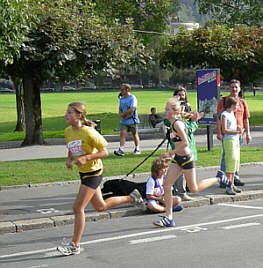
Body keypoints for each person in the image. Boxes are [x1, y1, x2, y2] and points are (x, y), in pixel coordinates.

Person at [57, 102, 144, 256]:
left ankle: (74, 245)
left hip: (94, 173)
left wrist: (87, 158)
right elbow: (71, 147)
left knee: (78, 208)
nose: (66, 115)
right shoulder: (68, 131)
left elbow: (104, 152)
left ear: (79, 115)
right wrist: (69, 159)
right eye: (66, 112)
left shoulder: (89, 132)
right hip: (83, 173)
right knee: (100, 206)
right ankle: (131, 198)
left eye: (70, 112)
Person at [153, 96, 231, 227]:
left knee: (193, 189)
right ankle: (169, 217)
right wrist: (172, 155)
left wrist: (170, 153)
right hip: (178, 159)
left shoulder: (177, 124)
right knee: (166, 185)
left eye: (167, 109)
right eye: (165, 109)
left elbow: (185, 142)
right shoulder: (172, 124)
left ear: (175, 112)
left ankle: (218, 178)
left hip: (186, 159)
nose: (165, 111)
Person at [216, 79, 251, 187]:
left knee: (235, 157)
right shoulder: (224, 101)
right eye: (232, 87)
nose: (234, 89)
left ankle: (234, 178)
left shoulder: (242, 102)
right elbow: (218, 118)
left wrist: (248, 134)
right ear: (229, 88)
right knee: (226, 156)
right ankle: (223, 179)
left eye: (236, 87)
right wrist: (219, 132)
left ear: (240, 89)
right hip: (228, 134)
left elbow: (245, 119)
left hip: (238, 135)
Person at [220, 97, 243, 195]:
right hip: (229, 140)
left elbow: (231, 127)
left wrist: (237, 128)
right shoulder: (224, 114)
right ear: (232, 105)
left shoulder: (231, 114)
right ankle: (228, 185)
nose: (237, 107)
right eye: (236, 105)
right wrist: (237, 131)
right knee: (230, 161)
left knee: (235, 161)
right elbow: (224, 130)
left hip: (235, 139)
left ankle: (232, 183)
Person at [114, 84, 141, 156]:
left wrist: (124, 114)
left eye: (122, 89)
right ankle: (121, 150)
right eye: (121, 90)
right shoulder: (122, 99)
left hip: (132, 119)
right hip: (123, 121)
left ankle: (137, 148)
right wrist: (121, 114)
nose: (121, 91)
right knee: (122, 134)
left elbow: (132, 108)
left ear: (127, 90)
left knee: (134, 134)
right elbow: (120, 108)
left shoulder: (132, 98)